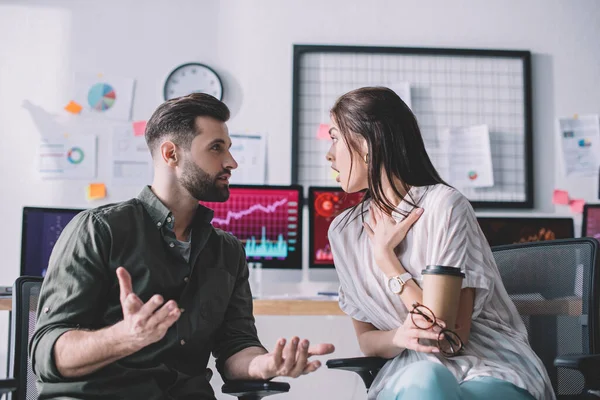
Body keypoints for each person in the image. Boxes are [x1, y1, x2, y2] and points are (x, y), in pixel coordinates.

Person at [30, 93, 334, 399]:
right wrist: (124, 337)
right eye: (216, 148)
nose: (231, 162)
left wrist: (264, 364)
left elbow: (236, 345)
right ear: (171, 154)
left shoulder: (227, 251)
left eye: (228, 149)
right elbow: (46, 354)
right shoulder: (100, 230)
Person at [325, 87, 553, 400]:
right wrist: (400, 337)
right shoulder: (344, 232)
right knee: (425, 377)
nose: (328, 153)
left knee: (429, 377)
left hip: (486, 368)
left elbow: (445, 339)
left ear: (367, 144)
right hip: (409, 375)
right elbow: (367, 341)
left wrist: (386, 259)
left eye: (335, 137)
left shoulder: (444, 207)